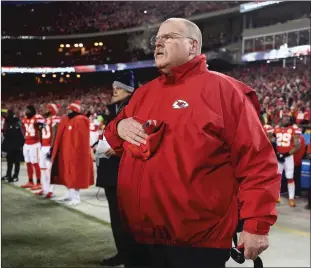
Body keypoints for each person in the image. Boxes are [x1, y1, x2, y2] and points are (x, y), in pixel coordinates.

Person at [104, 18, 280, 268]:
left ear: (193, 46)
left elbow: (258, 162)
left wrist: (257, 225)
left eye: (169, 37)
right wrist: (119, 127)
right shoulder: (144, 93)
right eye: (157, 39)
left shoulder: (225, 91)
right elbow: (111, 135)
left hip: (195, 243)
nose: (158, 43)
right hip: (139, 237)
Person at [96, 71, 146, 267]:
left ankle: (132, 256)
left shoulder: (136, 108)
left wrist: (117, 150)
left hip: (126, 173)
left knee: (128, 220)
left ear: (129, 90)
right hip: (111, 173)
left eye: (118, 88)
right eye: (114, 87)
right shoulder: (115, 109)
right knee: (116, 219)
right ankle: (123, 253)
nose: (114, 91)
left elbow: (142, 140)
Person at [50, 100, 94, 206]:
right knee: (66, 174)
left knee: (75, 175)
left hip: (75, 154)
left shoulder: (81, 120)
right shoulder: (66, 120)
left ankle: (76, 197)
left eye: (70, 109)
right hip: (65, 152)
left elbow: (82, 141)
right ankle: (69, 194)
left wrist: (77, 153)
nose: (68, 111)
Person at [272, 113, 302, 207]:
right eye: (284, 117)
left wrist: (287, 154)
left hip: (288, 157)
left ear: (290, 119)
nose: (285, 119)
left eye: (287, 118)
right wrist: (276, 153)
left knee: (289, 177)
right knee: (277, 176)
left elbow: (298, 145)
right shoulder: (276, 129)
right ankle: (276, 196)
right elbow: (272, 141)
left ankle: (291, 198)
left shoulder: (294, 129)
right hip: (279, 156)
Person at [35, 103, 61, 198]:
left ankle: (51, 190)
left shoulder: (55, 119)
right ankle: (45, 188)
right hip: (43, 146)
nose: (43, 109)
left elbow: (55, 133)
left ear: (51, 109)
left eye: (46, 108)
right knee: (42, 168)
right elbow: (41, 132)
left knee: (50, 169)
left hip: (49, 146)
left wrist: (52, 148)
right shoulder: (44, 120)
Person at [20, 105, 44, 190]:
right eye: (26, 110)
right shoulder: (25, 119)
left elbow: (42, 127)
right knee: (28, 163)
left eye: (28, 110)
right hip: (26, 143)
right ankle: (30, 181)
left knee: (35, 163)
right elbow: (23, 129)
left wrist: (39, 126)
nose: (26, 111)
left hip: (35, 144)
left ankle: (38, 182)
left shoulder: (38, 117)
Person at [1, 109, 24, 182]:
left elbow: (6, 133)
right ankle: (10, 175)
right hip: (14, 144)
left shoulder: (12, 121)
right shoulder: (15, 121)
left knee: (14, 161)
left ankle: (14, 175)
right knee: (11, 160)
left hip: (14, 144)